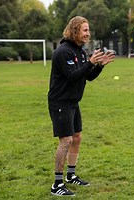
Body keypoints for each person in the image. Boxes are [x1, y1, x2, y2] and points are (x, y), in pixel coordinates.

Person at [48, 16, 115, 196]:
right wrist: (90, 63)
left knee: (76, 137)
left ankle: (70, 175)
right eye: (85, 30)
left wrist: (99, 66)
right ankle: (57, 184)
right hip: (60, 102)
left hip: (73, 102)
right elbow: (72, 76)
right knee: (66, 140)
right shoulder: (63, 52)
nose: (88, 34)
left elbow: (87, 76)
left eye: (88, 30)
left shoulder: (80, 52)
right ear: (75, 30)